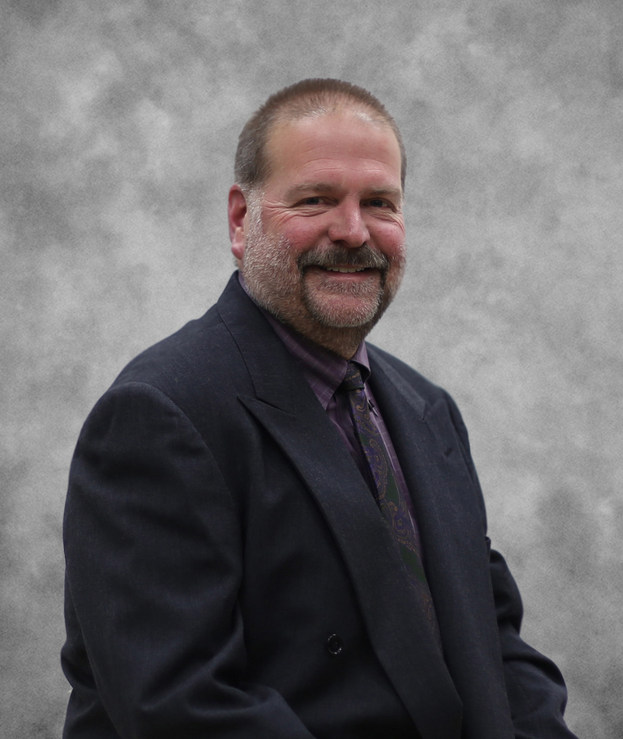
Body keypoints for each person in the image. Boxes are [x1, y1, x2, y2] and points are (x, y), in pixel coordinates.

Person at [61, 78, 577, 738]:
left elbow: (495, 645)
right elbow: (182, 708)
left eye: (380, 203)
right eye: (316, 199)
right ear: (241, 221)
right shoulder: (158, 415)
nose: (354, 230)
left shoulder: (428, 410)